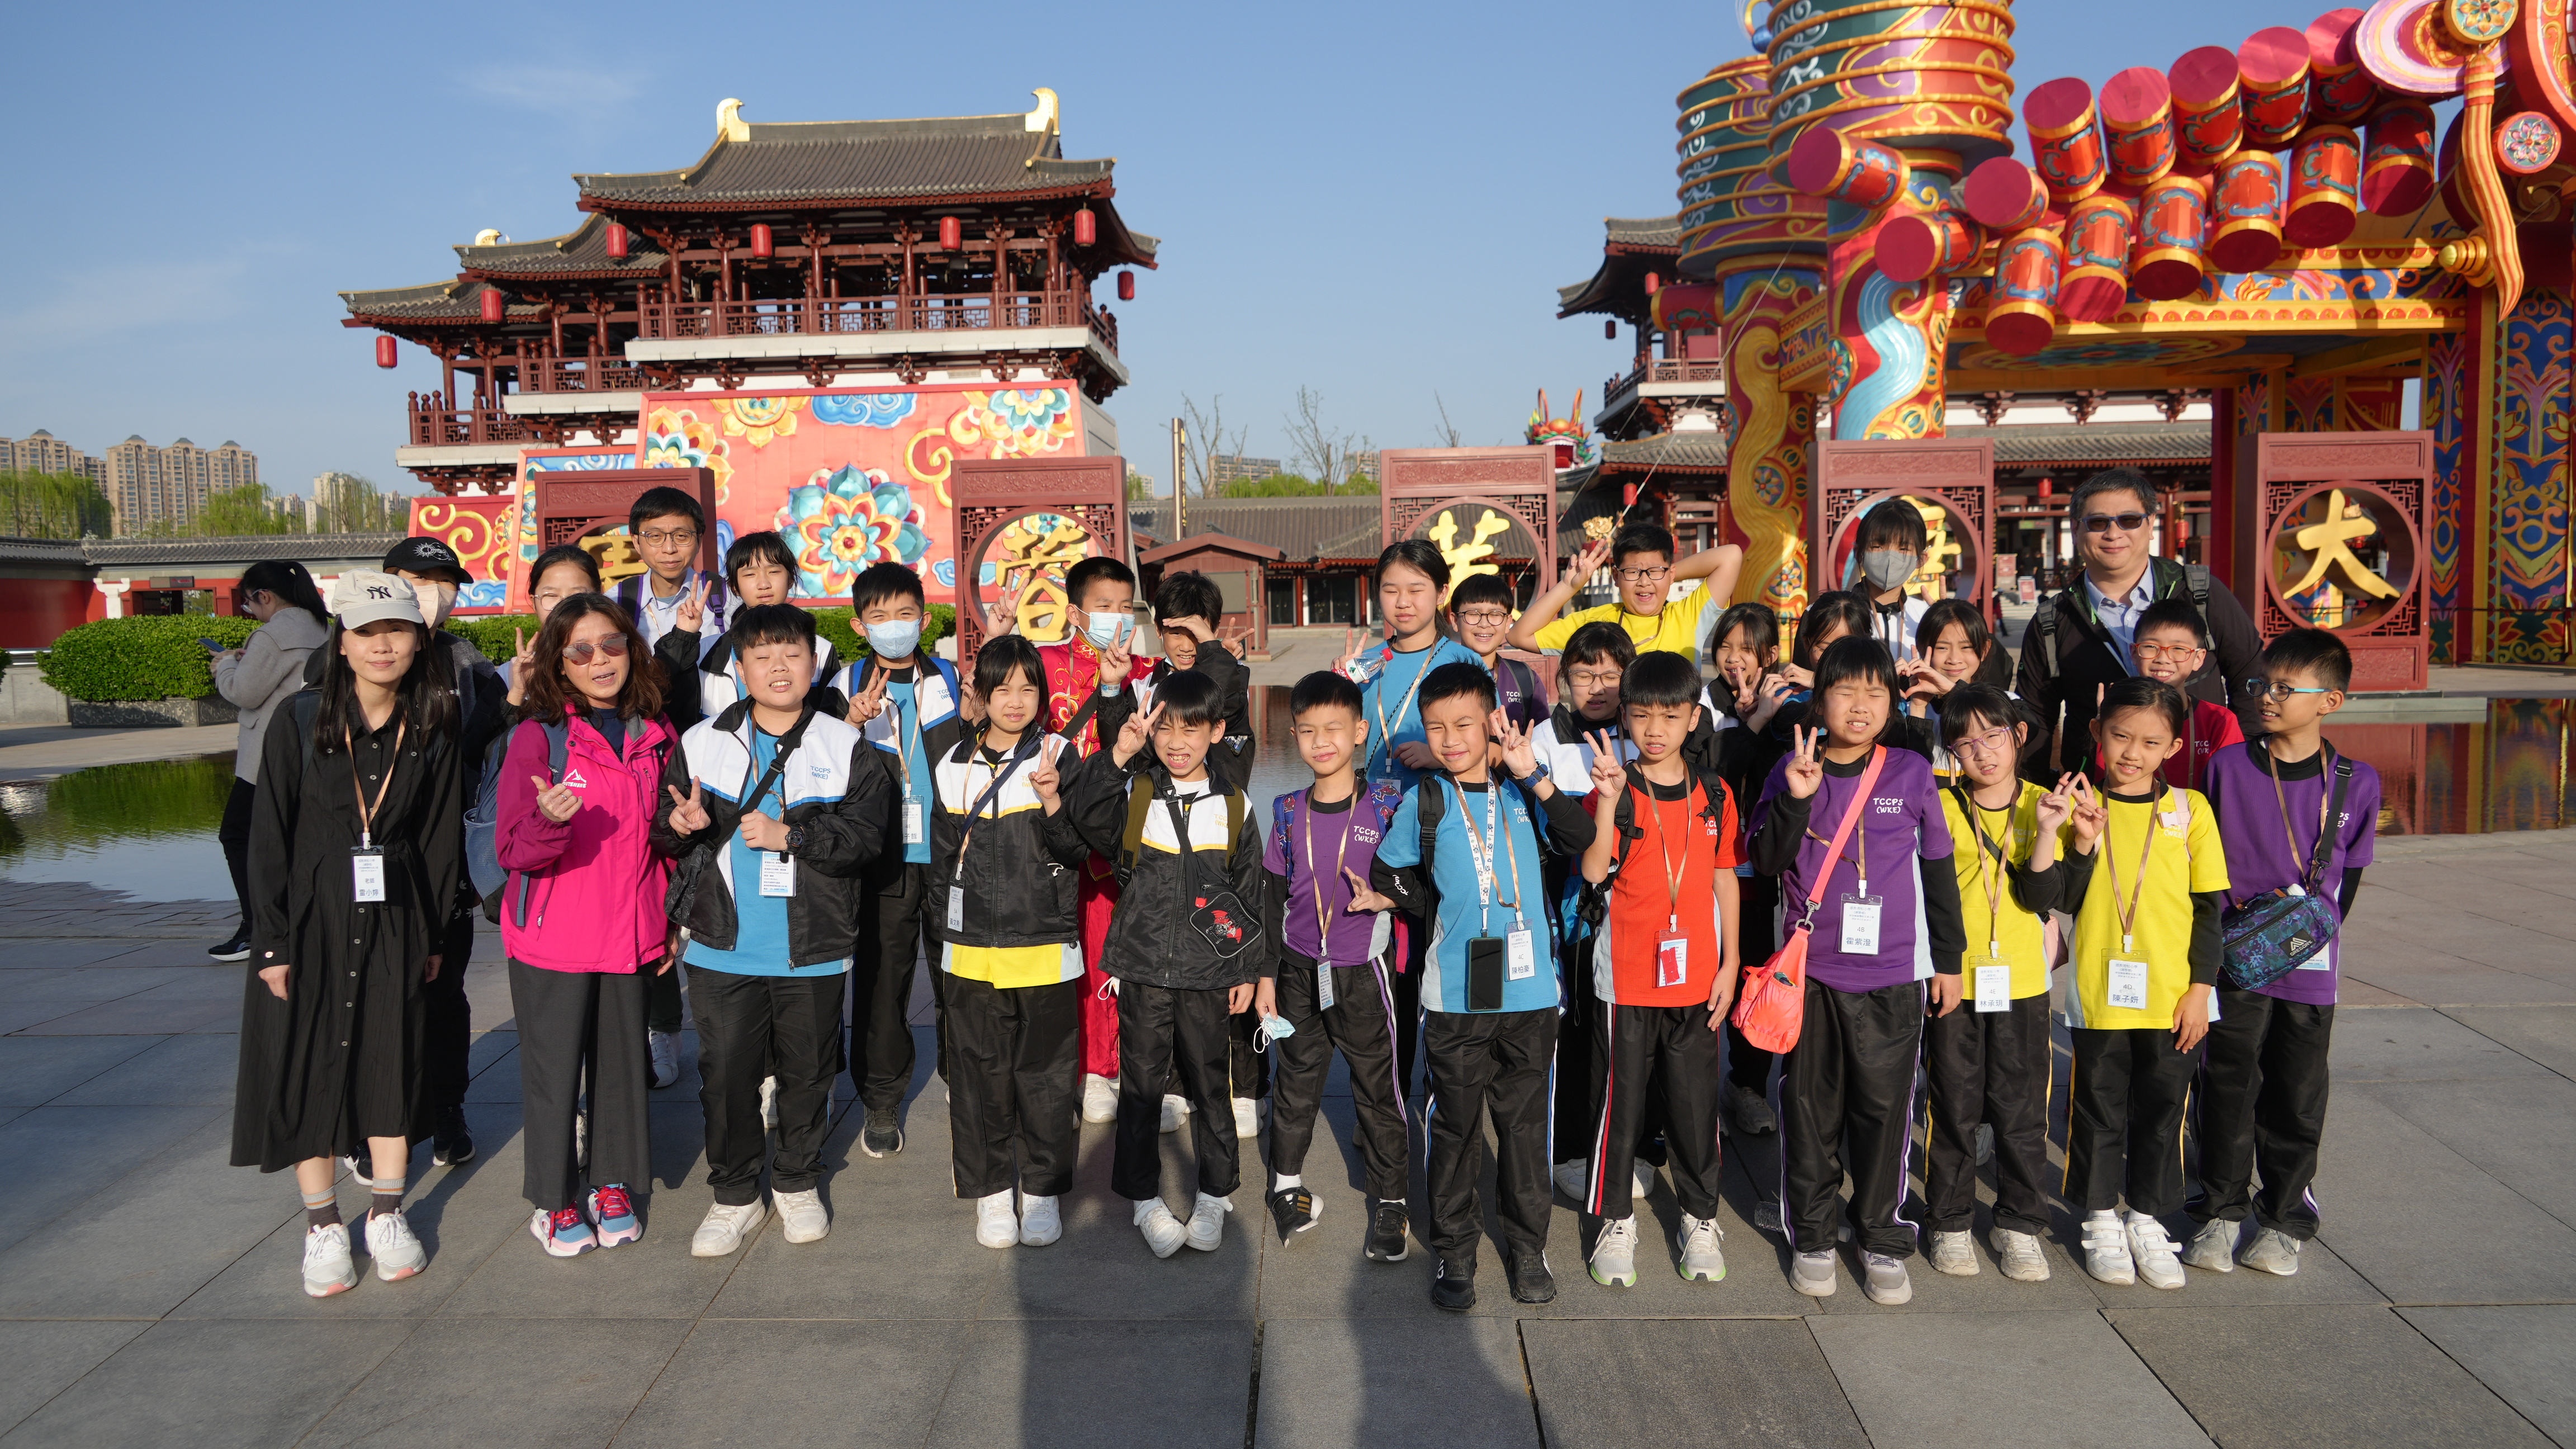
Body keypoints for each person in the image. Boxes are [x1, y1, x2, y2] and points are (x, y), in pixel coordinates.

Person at [231, 570, 460, 1298]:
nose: (382, 646)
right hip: (312, 922)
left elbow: (439, 840)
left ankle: (387, 1215)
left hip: (397, 919)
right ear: (343, 641)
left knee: (391, 1063)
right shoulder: (299, 721)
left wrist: (432, 936)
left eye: (396, 631)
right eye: (367, 632)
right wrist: (273, 942)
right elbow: (268, 838)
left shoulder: (431, 724)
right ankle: (324, 1226)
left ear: (418, 641)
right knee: (309, 1070)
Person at [654, 605, 893, 1257]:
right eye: (762, 656)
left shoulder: (844, 745)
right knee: (726, 1078)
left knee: (807, 1074)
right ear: (740, 668)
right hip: (721, 946)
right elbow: (661, 832)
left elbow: (868, 838)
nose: (778, 667)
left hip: (812, 947)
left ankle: (796, 1180)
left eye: (792, 654)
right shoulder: (703, 741)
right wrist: (679, 826)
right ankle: (734, 1195)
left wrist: (795, 836)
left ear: (814, 663)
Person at [1371, 663, 1597, 1312]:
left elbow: (1581, 840)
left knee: (1524, 1131)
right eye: (1436, 727)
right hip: (1455, 1000)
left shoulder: (1523, 791)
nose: (1450, 739)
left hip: (1530, 998)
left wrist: (1534, 774)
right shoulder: (1428, 800)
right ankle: (1456, 1250)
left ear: (1492, 723)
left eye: (1465, 724)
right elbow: (1388, 870)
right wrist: (1428, 910)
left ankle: (1528, 1248)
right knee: (1455, 1130)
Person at [1746, 637, 1964, 1306]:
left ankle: (1880, 1236)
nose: (1861, 705)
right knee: (1809, 1111)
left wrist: (1949, 962)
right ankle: (1813, 1235)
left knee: (1885, 1112)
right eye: (1846, 691)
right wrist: (1796, 797)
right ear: (1820, 702)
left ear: (1893, 703)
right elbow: (1765, 861)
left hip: (1895, 975)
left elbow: (1938, 869)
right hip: (1812, 977)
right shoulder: (1792, 767)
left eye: (1876, 692)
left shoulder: (1911, 770)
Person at [2185, 627, 2377, 1278]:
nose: (2267, 697)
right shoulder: (2229, 766)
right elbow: (2207, 861)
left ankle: (2284, 1218)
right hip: (2235, 958)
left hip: (2310, 971)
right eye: (2262, 684)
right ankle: (2219, 1210)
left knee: (2296, 1093)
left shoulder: (2356, 781)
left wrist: (2303, 939)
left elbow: (2349, 880)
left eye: (2285, 688)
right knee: (2227, 1086)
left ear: (2331, 701)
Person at [493, 594, 676, 1256]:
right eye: (580, 650)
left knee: (620, 1069)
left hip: (631, 933)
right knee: (554, 1074)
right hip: (554, 938)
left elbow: (664, 839)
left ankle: (610, 1184)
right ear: (559, 663)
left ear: (632, 648)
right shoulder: (538, 737)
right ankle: (554, 1200)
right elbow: (511, 849)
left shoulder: (657, 733)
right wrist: (549, 819)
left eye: (612, 644)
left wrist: (669, 918)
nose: (600, 660)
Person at [1066, 671, 1269, 1258]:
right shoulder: (1137, 792)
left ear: (1217, 731)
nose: (1177, 742)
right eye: (1166, 729)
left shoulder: (1234, 804)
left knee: (1211, 1085)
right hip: (1143, 968)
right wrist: (1118, 754)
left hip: (1209, 974)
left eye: (1192, 729)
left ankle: (1214, 1195)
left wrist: (1246, 970)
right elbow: (1082, 815)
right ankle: (1143, 1201)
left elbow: (1249, 893)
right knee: (1141, 1090)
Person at [1573, 651, 1742, 1288]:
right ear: (1625, 716)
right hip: (1626, 980)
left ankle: (1700, 1216)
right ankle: (1615, 1220)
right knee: (1620, 1108)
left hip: (1697, 980)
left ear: (1693, 718)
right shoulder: (1617, 788)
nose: (1655, 729)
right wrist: (1605, 802)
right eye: (1642, 715)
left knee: (1696, 1107)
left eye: (1670, 716)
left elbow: (1725, 876)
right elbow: (1594, 871)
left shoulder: (1715, 793)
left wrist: (1731, 962)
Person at [2058, 676, 2230, 1291]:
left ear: (2174, 748)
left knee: (2163, 1112)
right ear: (2097, 733)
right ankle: (2101, 1218)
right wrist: (2081, 842)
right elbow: (2061, 898)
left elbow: (2209, 910)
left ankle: (2148, 1218)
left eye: (2151, 743)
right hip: (2098, 992)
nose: (2132, 753)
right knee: (2098, 1108)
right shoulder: (2075, 805)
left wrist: (2200, 991)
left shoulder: (2189, 811)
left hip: (2172, 996)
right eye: (2121, 736)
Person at [924, 636, 1088, 1251]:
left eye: (1028, 688)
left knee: (1046, 1077)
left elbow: (1079, 849)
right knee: (977, 1076)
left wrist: (1052, 802)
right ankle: (992, 1192)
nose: (1015, 701)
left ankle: (1041, 1190)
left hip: (1044, 947)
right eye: (1002, 689)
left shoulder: (1060, 754)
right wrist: (944, 938)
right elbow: (940, 865)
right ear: (981, 695)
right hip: (971, 952)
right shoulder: (952, 765)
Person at [1923, 684, 2089, 1283]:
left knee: (2021, 1111)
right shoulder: (1940, 806)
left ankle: (2020, 1223)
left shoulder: (2049, 802)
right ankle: (1949, 1221)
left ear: (2017, 736)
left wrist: (2070, 838)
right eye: (1965, 743)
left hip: (2023, 981)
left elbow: (2056, 897)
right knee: (1954, 1105)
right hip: (1955, 980)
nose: (1982, 753)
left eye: (1992, 736)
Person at [1253, 671, 1410, 1259]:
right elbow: (1272, 898)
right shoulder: (1286, 811)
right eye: (1308, 731)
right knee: (1294, 1080)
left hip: (1363, 972)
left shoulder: (1388, 804)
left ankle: (1392, 1201)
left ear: (1360, 731)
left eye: (1335, 729)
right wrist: (1265, 975)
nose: (1321, 742)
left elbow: (1419, 881)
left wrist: (1387, 899)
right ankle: (1285, 1185)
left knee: (1378, 1088)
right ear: (1293, 734)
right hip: (1297, 971)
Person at [376, 535, 508, 1173]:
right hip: (373, 856)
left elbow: (487, 755)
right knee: (377, 990)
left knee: (444, 989)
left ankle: (447, 1107)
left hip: (444, 856)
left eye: (445, 584)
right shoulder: (352, 656)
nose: (434, 595)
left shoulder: (466, 663)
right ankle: (378, 1118)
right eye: (418, 581)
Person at [1338, 539, 1484, 1097]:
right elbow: (1334, 744)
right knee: (1385, 964)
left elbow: (1492, 749)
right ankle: (1390, 1096)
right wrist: (1339, 691)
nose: (1402, 602)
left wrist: (1439, 755)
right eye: (1391, 590)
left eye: (1416, 590)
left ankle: (1447, 1088)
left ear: (1441, 593)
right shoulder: (1366, 662)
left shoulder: (1463, 662)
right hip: (1377, 826)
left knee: (1437, 953)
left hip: (1443, 828)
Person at [2015, 466, 2262, 778]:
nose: (2113, 534)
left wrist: (2246, 763)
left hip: (2200, 779)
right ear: (2076, 529)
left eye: (2129, 520)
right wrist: (2031, 788)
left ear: (2151, 524)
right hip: (2100, 791)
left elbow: (2251, 674)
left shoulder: (2199, 593)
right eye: (2098, 522)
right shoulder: (2052, 620)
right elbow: (2036, 717)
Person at [840, 561, 962, 1160]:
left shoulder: (949, 679)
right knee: (883, 981)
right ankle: (882, 1099)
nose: (894, 625)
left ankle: (965, 1075)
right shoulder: (844, 684)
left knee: (957, 973)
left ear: (925, 618)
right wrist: (850, 722)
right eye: (880, 616)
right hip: (882, 859)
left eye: (906, 614)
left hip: (949, 853)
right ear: (859, 625)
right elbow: (821, 768)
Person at [1527, 622, 1651, 1208]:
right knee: (1578, 1029)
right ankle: (1572, 1149)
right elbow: (1550, 831)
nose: (1597, 687)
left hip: (1642, 906)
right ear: (1564, 679)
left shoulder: (1644, 731)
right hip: (1575, 907)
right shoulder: (1545, 739)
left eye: (1610, 675)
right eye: (1584, 674)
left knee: (1635, 1031)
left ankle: (1638, 1141)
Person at [1138, 571, 1266, 1140]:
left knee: (1228, 960)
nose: (1185, 644)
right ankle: (1174, 1083)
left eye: (1196, 631)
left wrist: (1211, 649)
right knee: (1168, 971)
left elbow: (1219, 705)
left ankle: (1245, 1085)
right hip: (1164, 847)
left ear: (1213, 629)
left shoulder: (1229, 679)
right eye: (1175, 631)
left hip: (1220, 845)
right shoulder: (1150, 685)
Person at [1036, 556, 1157, 1127]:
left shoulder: (1148, 670)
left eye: (1125, 607)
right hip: (1055, 827)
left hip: (1121, 834)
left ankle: (1111, 1068)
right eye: (1103, 606)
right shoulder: (1042, 665)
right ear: (1075, 612)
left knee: (1115, 949)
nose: (1116, 617)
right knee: (1068, 956)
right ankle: (1081, 1067)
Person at [209, 561, 331, 963]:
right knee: (295, 840)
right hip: (314, 751)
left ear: (265, 596)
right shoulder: (324, 628)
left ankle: (256, 927)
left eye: (249, 603)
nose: (250, 611)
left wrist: (225, 664)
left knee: (238, 836)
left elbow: (243, 692)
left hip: (266, 756)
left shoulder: (273, 633)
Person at [1704, 604, 1791, 1149]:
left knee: (1752, 973)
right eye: (1725, 647)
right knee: (1699, 978)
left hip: (1754, 870)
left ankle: (1747, 1084)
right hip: (1701, 869)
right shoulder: (1701, 705)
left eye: (1747, 648)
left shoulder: (1786, 705)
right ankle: (1688, 1090)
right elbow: (1712, 777)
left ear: (1771, 655)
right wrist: (1748, 725)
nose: (1734, 659)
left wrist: (1767, 719)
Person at [656, 531, 839, 731]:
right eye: (750, 574)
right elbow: (663, 702)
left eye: (774, 571)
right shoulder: (707, 652)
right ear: (734, 587)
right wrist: (684, 636)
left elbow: (833, 724)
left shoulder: (821, 651)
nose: (764, 584)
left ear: (790, 579)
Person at [1507, 524, 1742, 664]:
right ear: (1616, 576)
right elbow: (1519, 636)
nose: (1643, 583)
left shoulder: (1689, 616)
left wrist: (1664, 576)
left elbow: (1731, 556)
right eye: (1632, 572)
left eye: (1654, 572)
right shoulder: (1595, 623)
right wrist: (1568, 587)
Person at [2115, 598, 2246, 792]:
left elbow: (2236, 787)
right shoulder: (2118, 719)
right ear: (2134, 653)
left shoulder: (2219, 721)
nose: (2163, 659)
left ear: (2198, 658)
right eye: (2151, 646)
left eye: (2178, 649)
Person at [615, 485, 728, 652]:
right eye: (655, 536)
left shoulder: (725, 597)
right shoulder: (616, 602)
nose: (669, 549)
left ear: (699, 540)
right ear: (636, 542)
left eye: (681, 536)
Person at [500, 546, 605, 707]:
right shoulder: (510, 674)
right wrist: (519, 692)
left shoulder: (612, 665)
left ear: (600, 595)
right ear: (534, 602)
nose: (563, 605)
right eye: (551, 595)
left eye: (577, 595)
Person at [1446, 571, 1547, 730]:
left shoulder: (1524, 678)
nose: (1484, 624)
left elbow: (1543, 737)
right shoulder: (1438, 674)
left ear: (1508, 623)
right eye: (1473, 614)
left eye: (1495, 614)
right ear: (1454, 621)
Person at [1846, 498, 1933, 661]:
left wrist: (1948, 622)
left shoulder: (1927, 617)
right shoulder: (1832, 614)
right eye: (1877, 546)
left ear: (1921, 559)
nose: (1890, 557)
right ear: (1859, 553)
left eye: (1903, 548)